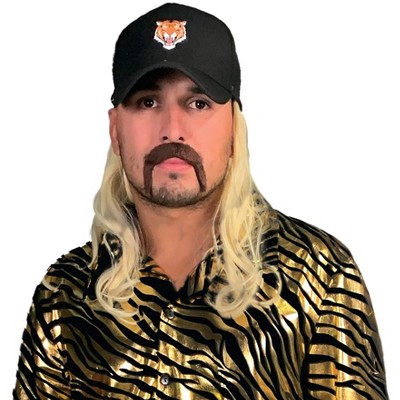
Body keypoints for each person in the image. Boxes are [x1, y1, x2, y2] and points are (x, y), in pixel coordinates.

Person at [13, 3, 389, 399]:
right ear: (115, 128)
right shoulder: (66, 292)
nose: (172, 129)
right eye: (147, 102)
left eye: (198, 103)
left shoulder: (318, 275)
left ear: (234, 127)